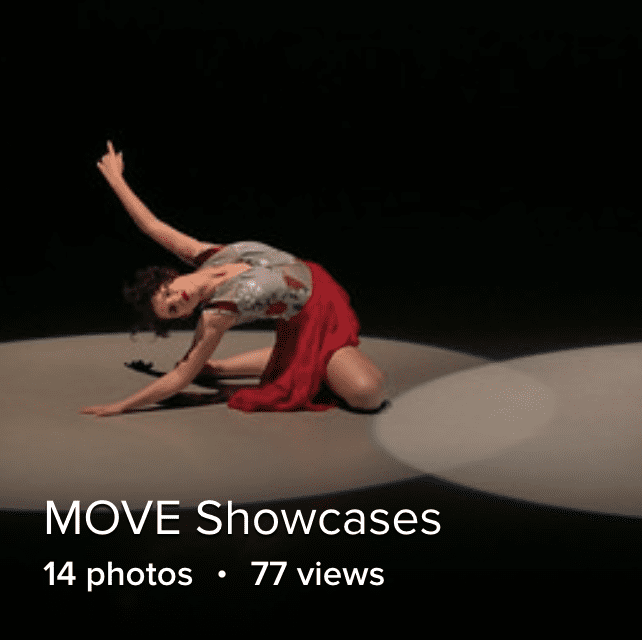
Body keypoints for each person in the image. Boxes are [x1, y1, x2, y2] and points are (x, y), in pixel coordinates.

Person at [80, 142, 388, 418]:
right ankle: (284, 361)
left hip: (324, 284)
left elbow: (151, 225)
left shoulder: (202, 254)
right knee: (368, 395)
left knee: (343, 380)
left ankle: (220, 369)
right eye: (173, 310)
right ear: (186, 316)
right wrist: (123, 406)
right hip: (310, 316)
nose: (177, 299)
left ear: (172, 277)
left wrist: (117, 180)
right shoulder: (216, 316)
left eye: (168, 292)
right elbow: (180, 377)